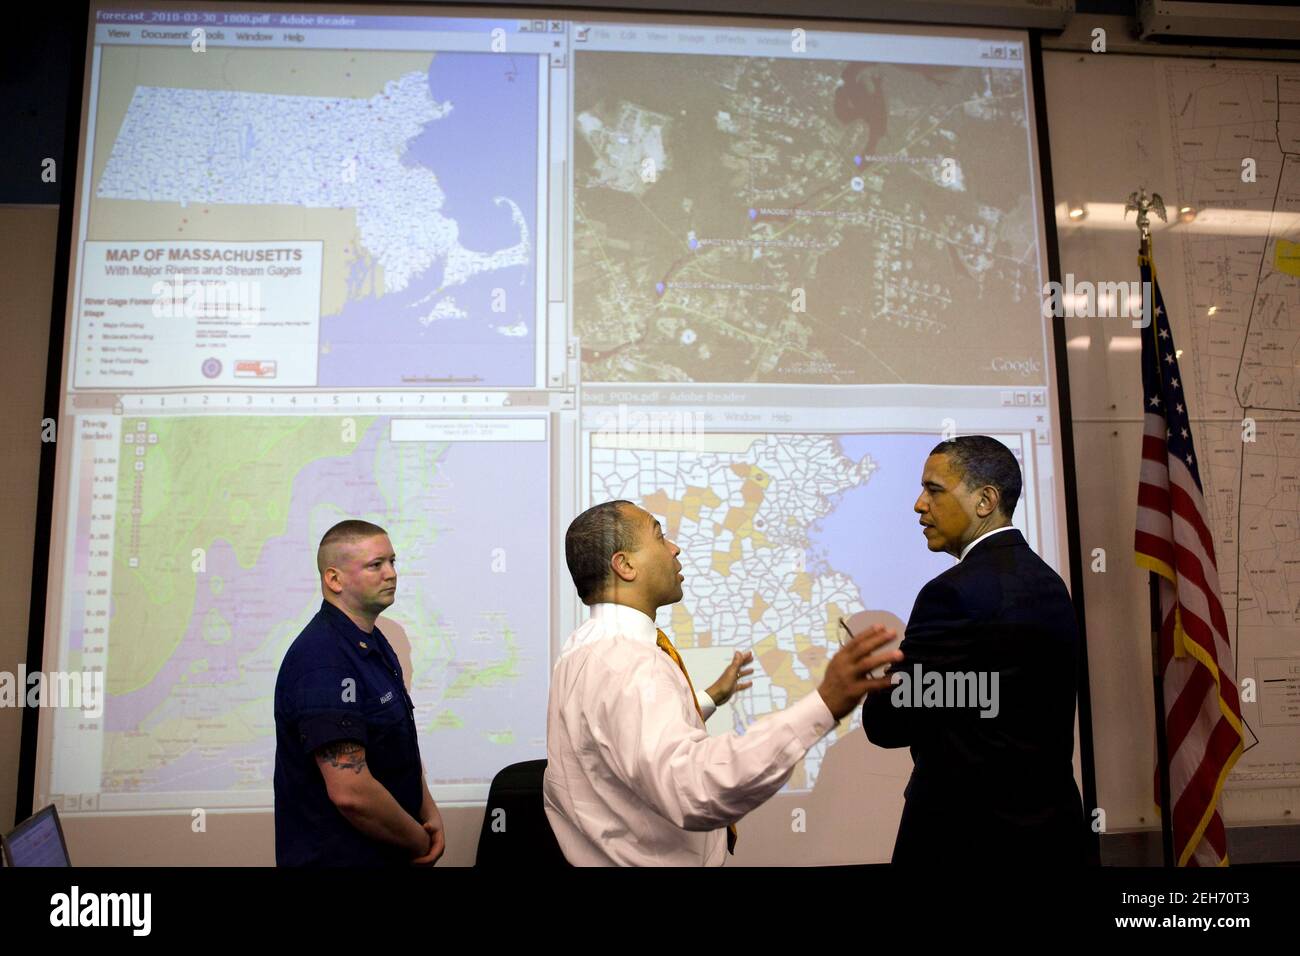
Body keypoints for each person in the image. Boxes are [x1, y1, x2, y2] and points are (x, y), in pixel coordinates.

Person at [544, 499, 902, 866]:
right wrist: (824, 704)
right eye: (659, 536)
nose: (674, 547)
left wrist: (710, 697)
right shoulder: (628, 663)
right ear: (625, 565)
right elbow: (693, 789)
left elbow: (617, 737)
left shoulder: (584, 648)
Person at [862, 436, 1085, 864]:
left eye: (934, 490)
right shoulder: (1051, 584)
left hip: (965, 841)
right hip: (1052, 839)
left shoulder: (951, 594)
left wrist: (879, 676)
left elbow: (889, 724)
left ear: (985, 501)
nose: (918, 504)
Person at [273, 519, 445, 866]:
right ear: (333, 579)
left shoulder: (372, 641)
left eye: (392, 561)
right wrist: (417, 839)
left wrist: (428, 811)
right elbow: (350, 791)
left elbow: (397, 745)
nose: (391, 573)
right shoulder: (323, 659)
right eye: (375, 565)